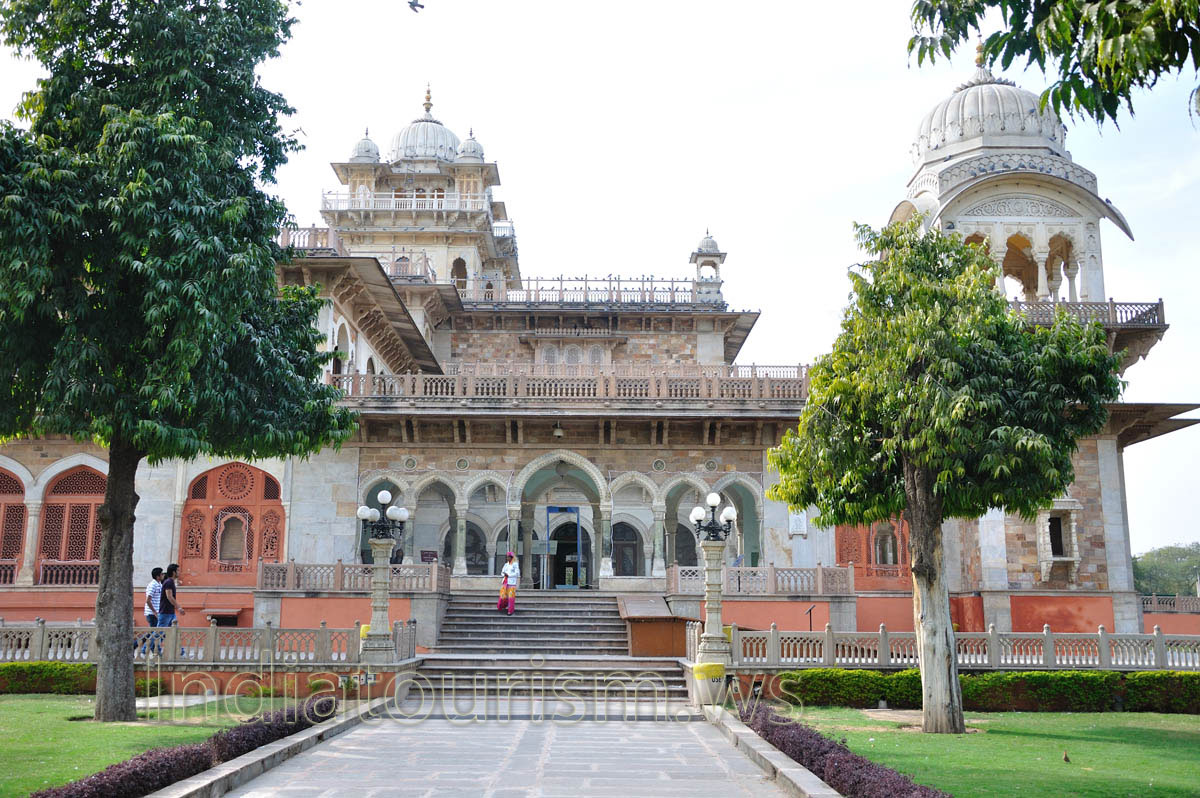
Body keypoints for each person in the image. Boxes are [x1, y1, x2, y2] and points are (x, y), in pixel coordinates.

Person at [139, 567, 164, 656]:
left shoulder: (159, 584)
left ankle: (141, 647)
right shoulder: (152, 585)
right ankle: (147, 649)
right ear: (158, 576)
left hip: (156, 612)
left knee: (152, 632)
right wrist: (154, 612)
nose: (163, 576)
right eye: (161, 574)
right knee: (158, 632)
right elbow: (148, 600)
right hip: (152, 613)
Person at [157, 563, 185, 628]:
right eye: (178, 570)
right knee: (158, 634)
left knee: (174, 631)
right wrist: (179, 607)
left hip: (170, 612)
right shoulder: (169, 582)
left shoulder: (171, 582)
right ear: (173, 572)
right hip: (165, 612)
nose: (179, 572)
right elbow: (169, 596)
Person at [498, 551, 519, 616]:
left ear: (512, 557)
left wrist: (509, 575)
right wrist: (504, 574)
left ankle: (510, 610)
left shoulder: (515, 564)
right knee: (503, 595)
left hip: (512, 582)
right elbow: (502, 572)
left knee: (511, 597)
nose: (508, 558)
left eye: (509, 557)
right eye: (507, 557)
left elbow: (517, 573)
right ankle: (502, 606)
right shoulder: (506, 564)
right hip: (505, 581)